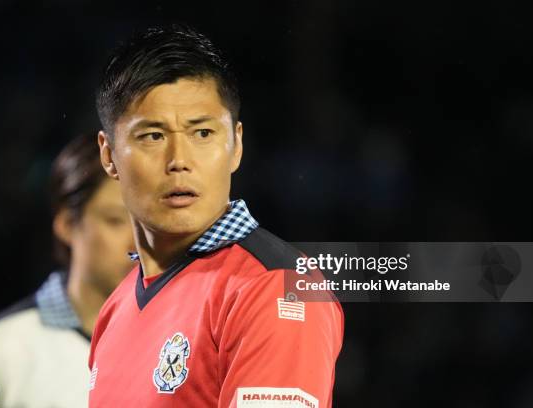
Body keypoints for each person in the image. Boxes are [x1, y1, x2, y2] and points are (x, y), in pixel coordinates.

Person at [88, 25, 344, 407]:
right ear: (109, 156)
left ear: (236, 145)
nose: (179, 161)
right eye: (153, 136)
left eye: (203, 133)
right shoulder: (114, 309)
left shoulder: (280, 287)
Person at [0, 133, 135, 407]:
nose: (138, 242)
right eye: (115, 220)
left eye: (149, 223)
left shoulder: (184, 341)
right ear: (66, 224)